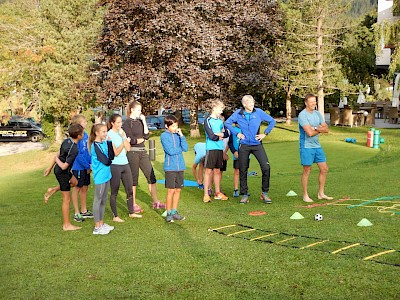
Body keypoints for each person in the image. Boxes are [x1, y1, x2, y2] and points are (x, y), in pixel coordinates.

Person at [225, 95, 276, 204]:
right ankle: (244, 194)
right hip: (244, 145)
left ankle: (264, 193)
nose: (252, 104)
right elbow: (227, 123)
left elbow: (272, 121)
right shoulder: (238, 113)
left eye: (252, 101)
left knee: (266, 167)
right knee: (243, 170)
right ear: (244, 104)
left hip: (257, 144)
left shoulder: (259, 112)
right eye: (249, 102)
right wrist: (237, 133)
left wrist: (265, 133)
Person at [123, 100, 166, 211]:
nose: (140, 112)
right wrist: (140, 139)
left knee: (151, 176)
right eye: (138, 110)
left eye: (140, 110)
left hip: (143, 152)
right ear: (132, 110)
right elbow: (130, 140)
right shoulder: (127, 123)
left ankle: (156, 201)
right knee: (133, 179)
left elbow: (147, 135)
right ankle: (132, 204)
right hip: (132, 152)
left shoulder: (140, 121)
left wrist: (143, 120)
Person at [43, 124, 84, 231]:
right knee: (66, 199)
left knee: (75, 182)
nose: (83, 134)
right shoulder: (74, 149)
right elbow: (63, 165)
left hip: (63, 170)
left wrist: (50, 168)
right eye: (82, 133)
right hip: (62, 172)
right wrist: (55, 161)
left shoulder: (66, 141)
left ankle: (53, 189)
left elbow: (58, 154)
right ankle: (66, 225)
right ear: (79, 136)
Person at [298, 93, 333, 203]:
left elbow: (326, 129)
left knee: (324, 169)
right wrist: (318, 129)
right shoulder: (302, 115)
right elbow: (309, 133)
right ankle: (305, 195)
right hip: (306, 146)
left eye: (315, 101)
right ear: (306, 103)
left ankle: (321, 193)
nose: (313, 103)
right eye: (311, 101)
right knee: (307, 170)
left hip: (317, 145)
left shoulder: (318, 114)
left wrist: (315, 128)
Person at [107, 114, 141, 222]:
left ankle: (131, 212)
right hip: (115, 165)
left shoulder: (122, 133)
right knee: (114, 191)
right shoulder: (109, 135)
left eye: (121, 122)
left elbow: (129, 148)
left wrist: (124, 137)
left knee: (129, 189)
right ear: (112, 123)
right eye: (118, 122)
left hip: (125, 163)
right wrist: (123, 140)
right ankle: (115, 216)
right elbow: (116, 152)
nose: (120, 124)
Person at [160, 114, 188, 223]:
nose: (175, 128)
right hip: (170, 167)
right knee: (171, 191)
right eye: (173, 126)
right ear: (167, 126)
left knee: (178, 190)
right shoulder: (164, 136)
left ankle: (174, 212)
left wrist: (182, 136)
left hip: (180, 166)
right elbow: (170, 151)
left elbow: (185, 148)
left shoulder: (178, 135)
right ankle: (168, 213)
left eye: (176, 126)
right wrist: (179, 149)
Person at [88, 123, 115, 235]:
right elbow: (107, 161)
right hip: (100, 177)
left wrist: (109, 142)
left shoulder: (104, 143)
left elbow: (112, 157)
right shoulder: (95, 146)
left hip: (106, 175)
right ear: (97, 133)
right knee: (98, 200)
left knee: (103, 200)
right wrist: (109, 158)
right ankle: (97, 227)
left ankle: (102, 223)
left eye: (106, 131)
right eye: (103, 132)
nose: (105, 134)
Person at [202, 100, 229, 203]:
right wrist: (219, 136)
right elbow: (211, 136)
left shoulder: (220, 121)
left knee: (217, 170)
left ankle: (218, 193)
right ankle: (206, 194)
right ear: (214, 108)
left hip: (219, 149)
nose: (221, 111)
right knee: (209, 171)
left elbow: (226, 133)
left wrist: (220, 134)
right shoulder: (207, 120)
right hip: (211, 148)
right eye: (220, 109)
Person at [70, 114, 93, 223]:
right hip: (78, 167)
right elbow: (78, 154)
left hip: (87, 167)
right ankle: (76, 212)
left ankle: (84, 210)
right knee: (77, 188)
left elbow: (89, 150)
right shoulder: (77, 137)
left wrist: (91, 164)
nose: (86, 123)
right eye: (84, 122)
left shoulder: (86, 135)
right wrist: (86, 166)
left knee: (85, 187)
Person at [228, 124, 249, 198]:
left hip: (246, 153)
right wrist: (234, 152)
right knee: (237, 171)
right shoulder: (233, 130)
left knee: (244, 171)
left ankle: (244, 189)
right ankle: (236, 189)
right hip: (236, 154)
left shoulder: (247, 128)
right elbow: (230, 143)